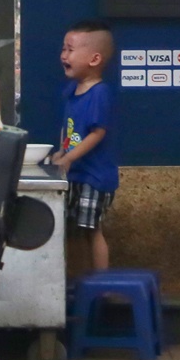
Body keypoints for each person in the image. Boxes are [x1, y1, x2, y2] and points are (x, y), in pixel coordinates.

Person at [47, 20, 117, 273]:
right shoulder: (72, 90)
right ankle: (77, 281)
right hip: (75, 173)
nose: (63, 55)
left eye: (70, 49)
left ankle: (102, 283)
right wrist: (62, 151)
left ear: (94, 58)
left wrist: (69, 158)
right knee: (73, 230)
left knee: (92, 230)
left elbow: (97, 133)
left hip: (94, 177)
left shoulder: (99, 93)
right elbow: (68, 126)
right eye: (63, 49)